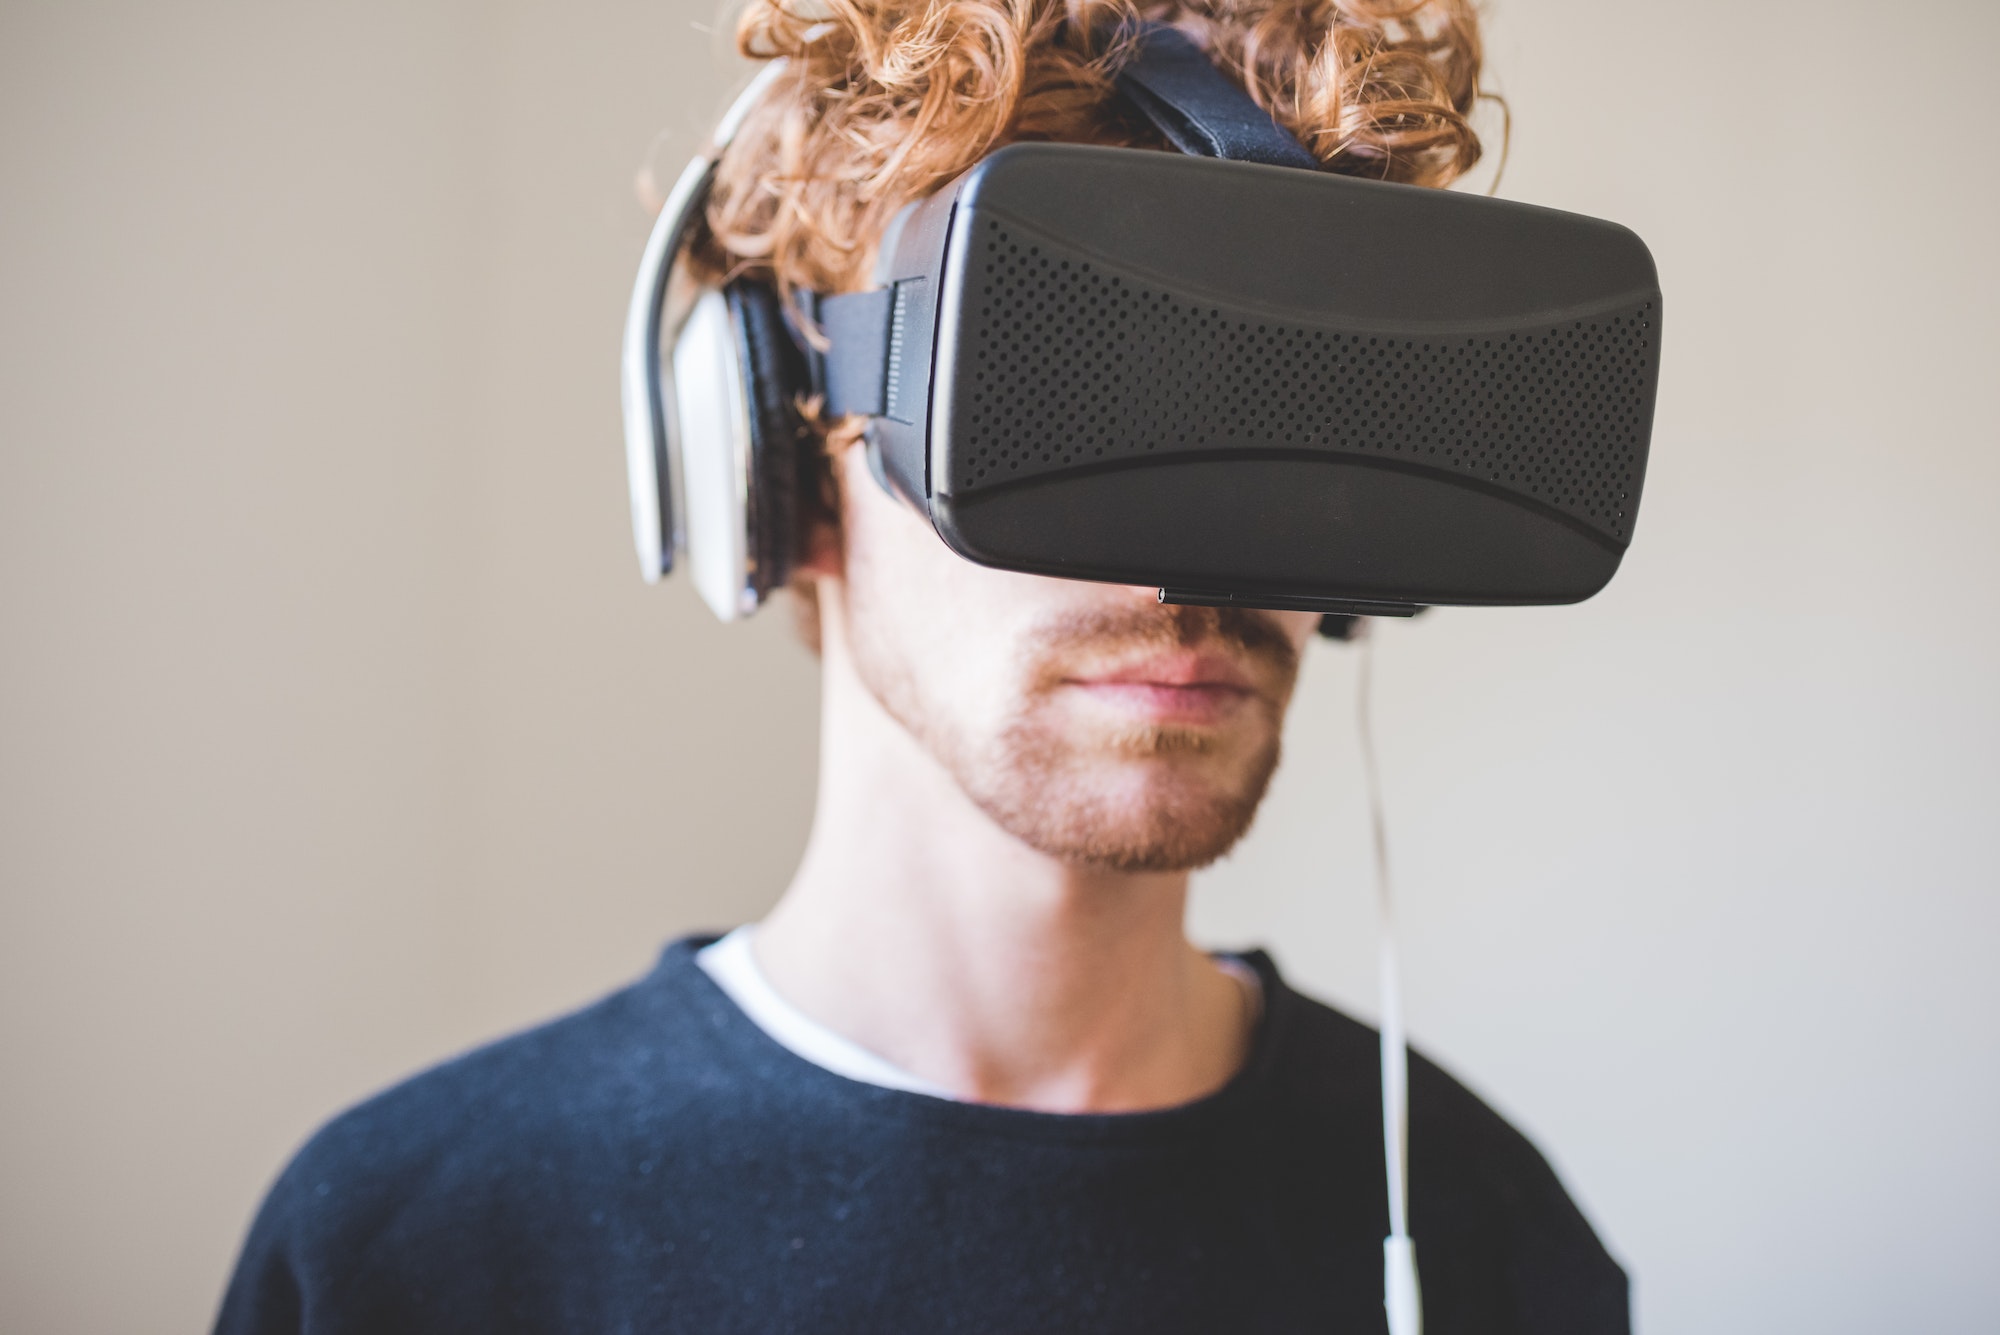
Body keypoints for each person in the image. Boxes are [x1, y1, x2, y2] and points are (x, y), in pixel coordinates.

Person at [216, 2, 1628, 1331]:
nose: (1184, 575)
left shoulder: (1480, 1228)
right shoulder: (413, 1251)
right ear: (779, 461)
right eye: (1060, 403)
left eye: (1272, 422)